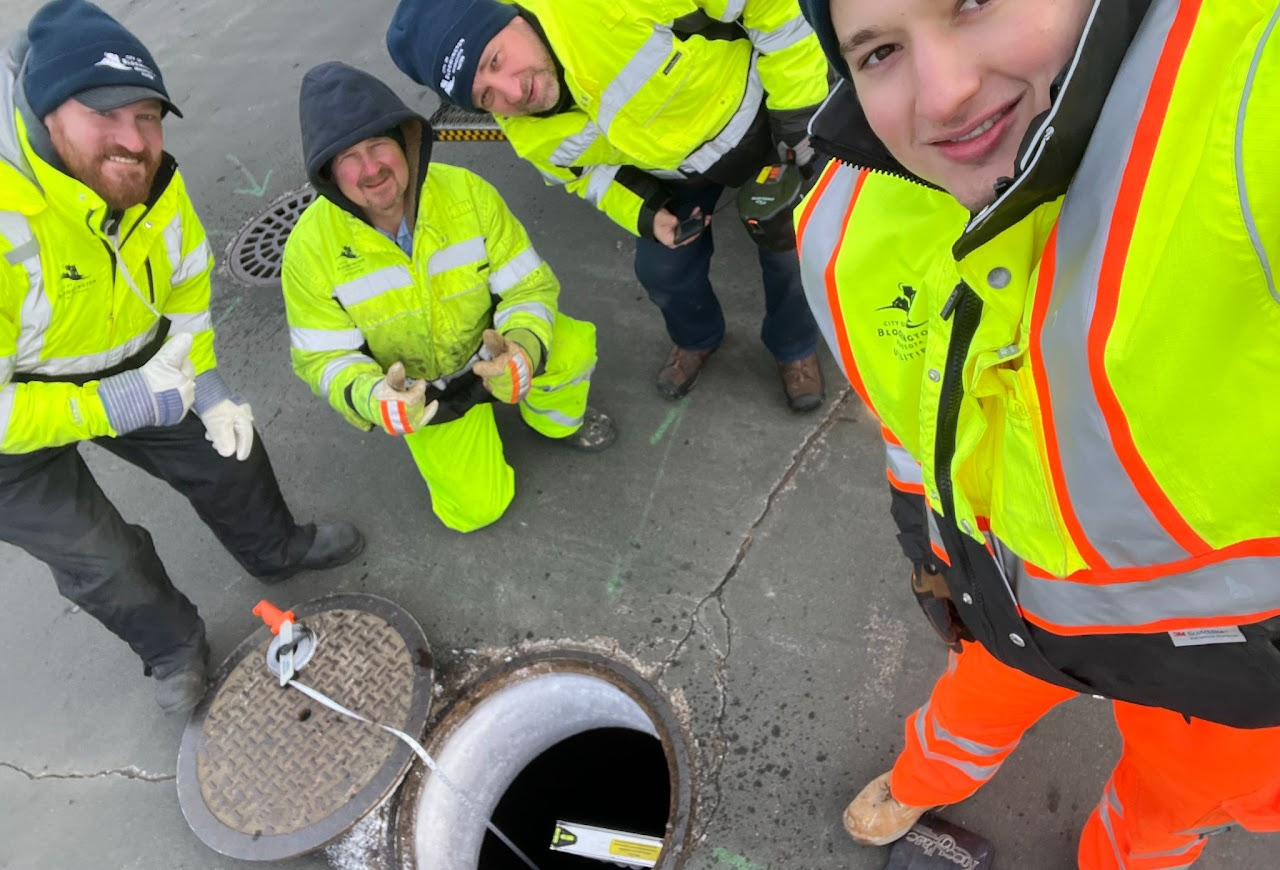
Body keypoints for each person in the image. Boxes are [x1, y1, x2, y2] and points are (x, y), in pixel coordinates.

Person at [794, 0, 1280, 867]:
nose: (943, 95)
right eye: (878, 51)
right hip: (1010, 604)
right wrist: (927, 553)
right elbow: (908, 429)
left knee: (1177, 805)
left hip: (1225, 681)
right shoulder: (842, 228)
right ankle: (919, 785)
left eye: (973, 1)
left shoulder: (1246, 99)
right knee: (960, 717)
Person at [0, 0, 365, 716]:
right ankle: (172, 647)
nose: (132, 140)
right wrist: (111, 404)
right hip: (15, 418)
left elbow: (188, 286)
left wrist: (206, 380)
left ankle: (277, 549)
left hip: (130, 360)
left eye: (146, 116)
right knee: (100, 560)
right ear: (46, 112)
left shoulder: (151, 181)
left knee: (229, 450)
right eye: (102, 113)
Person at [385, 0, 830, 412]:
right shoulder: (524, 130)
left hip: (768, 118)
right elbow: (587, 177)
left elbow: (771, 6)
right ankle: (698, 338)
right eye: (485, 96)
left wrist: (798, 122)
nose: (512, 93)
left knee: (791, 247)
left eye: (495, 61)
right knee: (663, 271)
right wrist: (648, 211)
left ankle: (793, 348)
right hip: (677, 171)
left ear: (512, 16)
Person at [282, 61, 613, 535]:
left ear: (406, 143)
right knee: (477, 510)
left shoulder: (468, 193)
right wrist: (374, 396)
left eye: (378, 144)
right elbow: (323, 357)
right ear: (329, 174)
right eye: (348, 157)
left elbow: (528, 286)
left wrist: (523, 347)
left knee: (570, 347)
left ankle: (555, 423)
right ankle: (477, 438)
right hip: (427, 397)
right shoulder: (309, 249)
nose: (370, 168)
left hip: (492, 353)